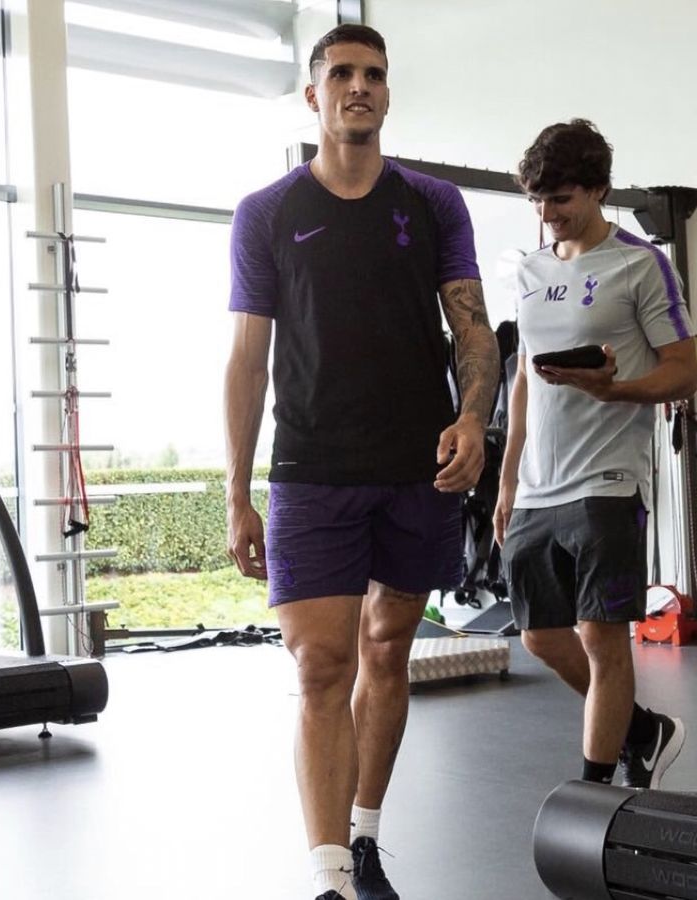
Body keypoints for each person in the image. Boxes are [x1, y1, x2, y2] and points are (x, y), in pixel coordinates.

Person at [222, 23, 500, 900]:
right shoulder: (267, 212)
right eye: (341, 73)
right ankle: (330, 874)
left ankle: (365, 836)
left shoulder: (433, 204)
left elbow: (472, 327)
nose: (359, 86)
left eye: (374, 74)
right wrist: (236, 491)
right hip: (311, 471)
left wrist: (474, 417)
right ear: (313, 95)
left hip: (420, 468)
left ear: (386, 92)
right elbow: (247, 360)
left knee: (387, 651)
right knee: (319, 666)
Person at [494, 118, 697, 791]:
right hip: (537, 486)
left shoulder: (641, 265)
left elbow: (684, 373)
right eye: (537, 201)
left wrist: (616, 390)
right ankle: (642, 730)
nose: (546, 215)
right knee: (540, 636)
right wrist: (507, 482)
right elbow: (523, 379)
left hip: (608, 481)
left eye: (560, 199)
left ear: (599, 190)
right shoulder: (530, 270)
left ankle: (595, 794)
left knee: (600, 638)